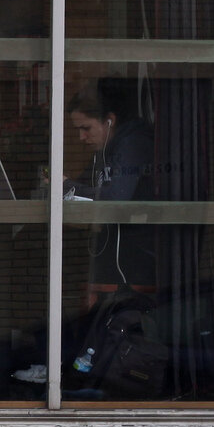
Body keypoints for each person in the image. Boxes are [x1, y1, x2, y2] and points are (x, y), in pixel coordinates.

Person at [68, 91, 158, 295]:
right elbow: (84, 184)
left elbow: (115, 198)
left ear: (110, 121)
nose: (81, 137)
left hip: (136, 256)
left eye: (86, 128)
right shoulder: (104, 153)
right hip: (116, 254)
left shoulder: (132, 146)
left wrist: (67, 187)